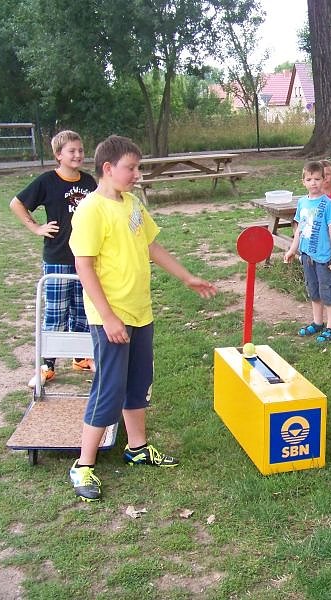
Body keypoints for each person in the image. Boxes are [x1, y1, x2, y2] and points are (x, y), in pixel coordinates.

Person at [67, 135, 217, 502]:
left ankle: (137, 447)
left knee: (138, 383)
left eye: (138, 168)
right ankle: (83, 464)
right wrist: (108, 316)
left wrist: (187, 277)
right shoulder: (91, 210)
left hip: (140, 311)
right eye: (131, 168)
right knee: (109, 388)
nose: (137, 174)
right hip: (111, 317)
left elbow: (151, 246)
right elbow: (83, 266)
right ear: (108, 168)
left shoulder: (132, 204)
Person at [9, 130, 97, 387]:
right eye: (72, 151)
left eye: (80, 150)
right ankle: (47, 364)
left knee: (83, 310)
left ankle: (81, 357)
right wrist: (36, 227)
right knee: (56, 312)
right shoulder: (47, 181)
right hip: (57, 257)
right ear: (58, 155)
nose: (78, 155)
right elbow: (16, 203)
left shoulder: (89, 182)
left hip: (85, 258)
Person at [283, 161, 331, 343]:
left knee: (328, 292)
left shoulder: (328, 204)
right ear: (303, 182)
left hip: (324, 257)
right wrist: (293, 250)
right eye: (309, 179)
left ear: (324, 180)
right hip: (307, 256)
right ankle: (317, 323)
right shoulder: (302, 202)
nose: (313, 183)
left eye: (317, 179)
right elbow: (300, 229)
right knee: (313, 291)